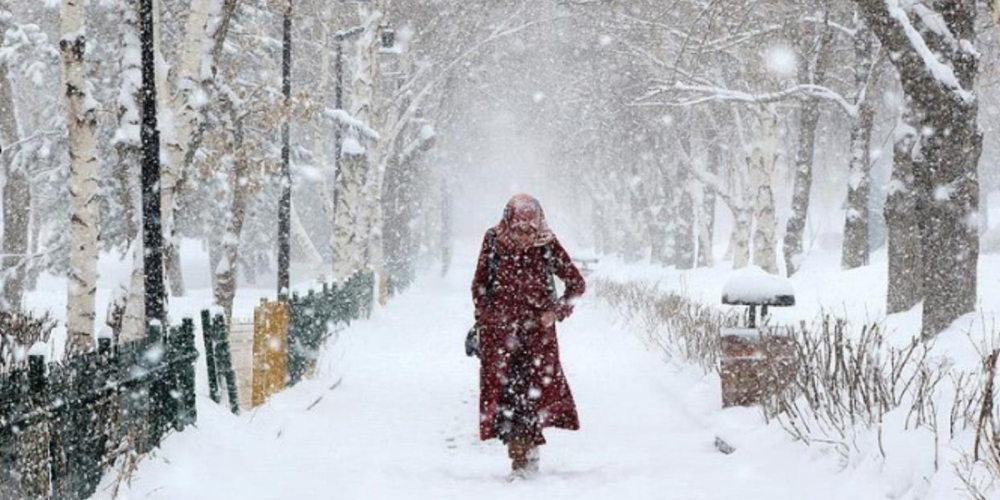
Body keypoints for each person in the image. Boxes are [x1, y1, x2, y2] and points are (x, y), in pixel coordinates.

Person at [471, 194, 586, 480]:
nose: (524, 237)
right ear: (508, 222)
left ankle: (526, 456)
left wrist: (556, 312)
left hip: (538, 339)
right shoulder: (493, 241)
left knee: (530, 396)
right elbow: (479, 285)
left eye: (530, 230)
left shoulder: (547, 244)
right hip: (500, 338)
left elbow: (576, 283)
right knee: (507, 398)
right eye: (518, 230)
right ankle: (518, 456)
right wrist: (487, 318)